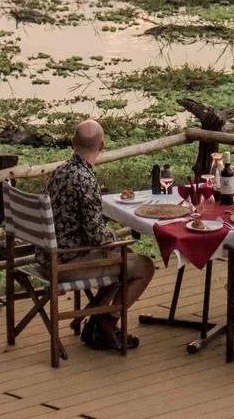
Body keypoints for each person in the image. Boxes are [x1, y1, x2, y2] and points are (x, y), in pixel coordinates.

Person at [45, 119, 154, 350]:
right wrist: (117, 239)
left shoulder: (58, 171)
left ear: (73, 142)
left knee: (124, 256)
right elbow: (97, 236)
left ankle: (96, 320)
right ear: (102, 146)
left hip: (47, 255)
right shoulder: (85, 180)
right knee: (143, 265)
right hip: (67, 263)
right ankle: (108, 320)